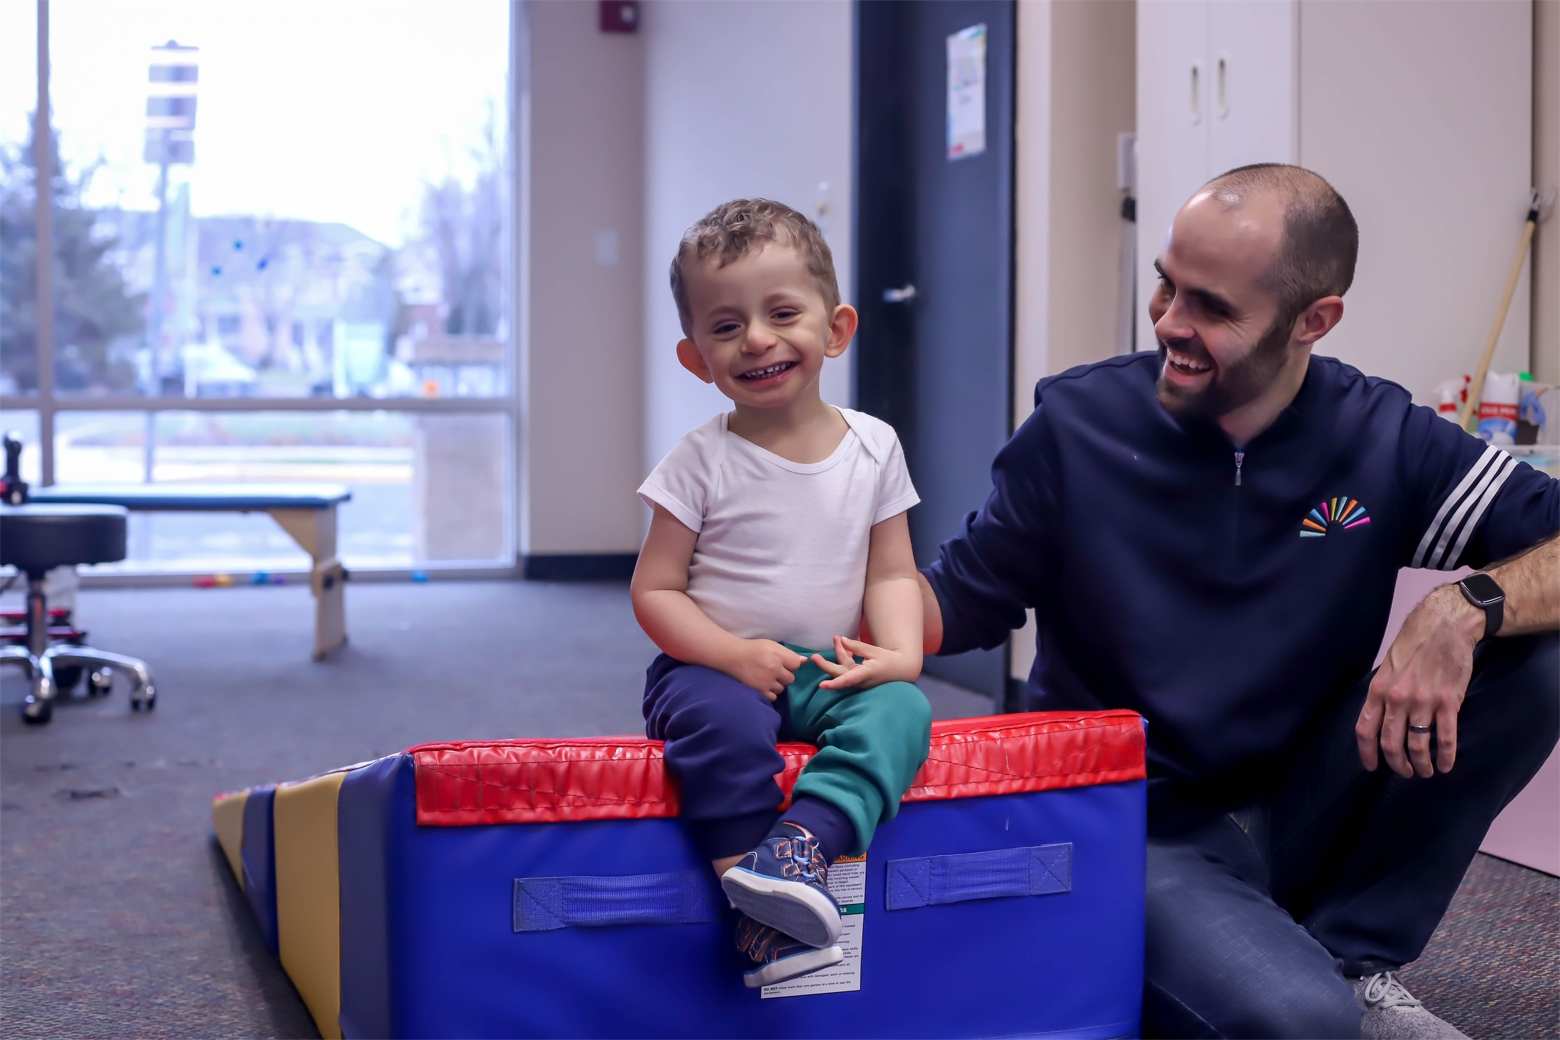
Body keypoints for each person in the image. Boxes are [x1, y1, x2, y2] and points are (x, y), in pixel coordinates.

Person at [917, 164, 1558, 1039]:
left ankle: (1348, 956)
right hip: (1139, 820)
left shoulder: (1380, 436)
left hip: (1308, 796)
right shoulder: (1078, 425)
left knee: (1537, 649)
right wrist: (787, 600)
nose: (1170, 323)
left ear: (1314, 321)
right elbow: (963, 598)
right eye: (1164, 285)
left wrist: (1466, 604)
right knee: (1301, 1024)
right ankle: (1286, 980)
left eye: (1212, 308)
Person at [632, 199, 932, 989]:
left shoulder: (875, 447)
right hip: (710, 666)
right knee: (723, 731)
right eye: (726, 327)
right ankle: (758, 912)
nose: (757, 339)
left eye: (781, 314)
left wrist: (898, 654)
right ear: (696, 358)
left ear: (835, 329)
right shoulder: (698, 462)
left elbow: (892, 570)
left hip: (823, 666)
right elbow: (655, 591)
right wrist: (729, 655)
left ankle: (799, 848)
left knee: (904, 712)